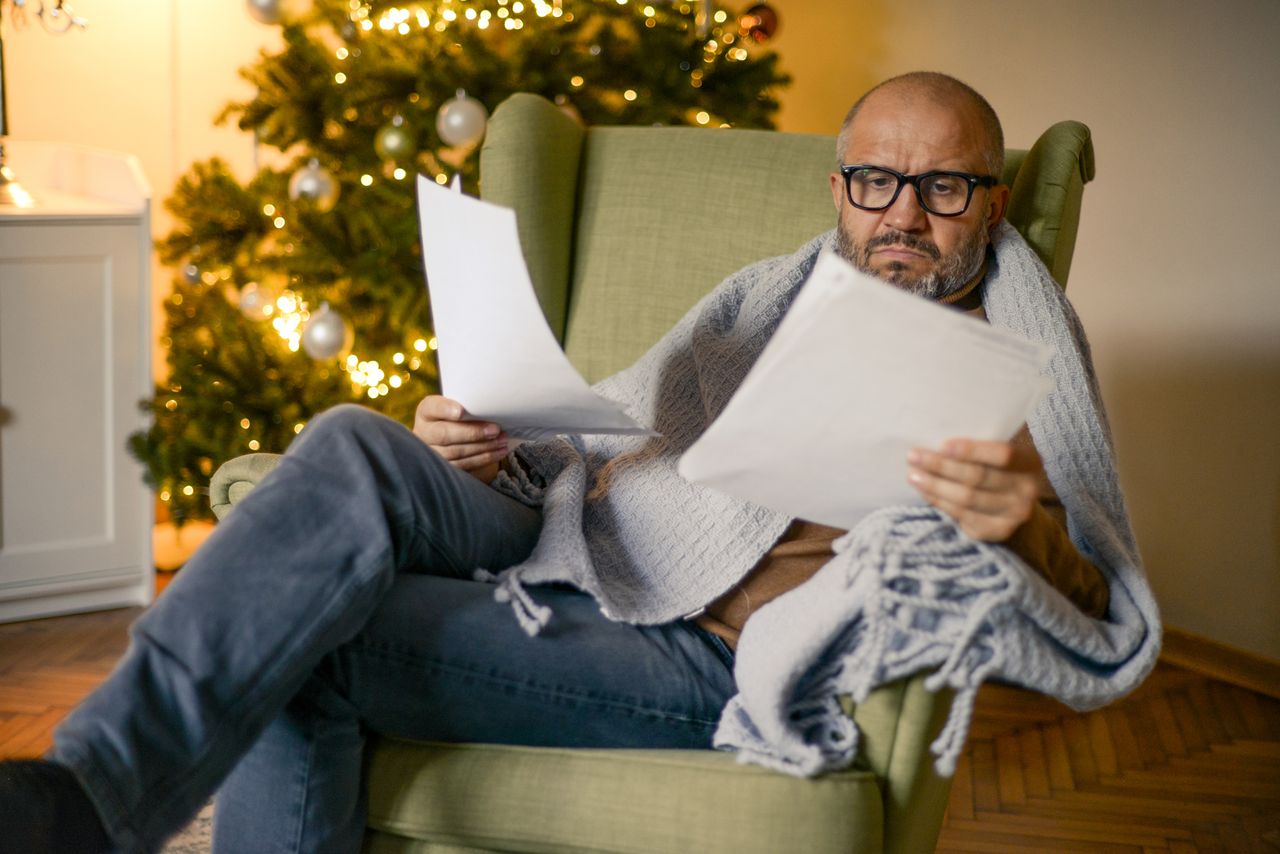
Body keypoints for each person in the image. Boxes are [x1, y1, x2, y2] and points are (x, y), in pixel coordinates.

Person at [0, 72, 1113, 853]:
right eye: (875, 179)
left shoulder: (1016, 366)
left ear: (992, 202)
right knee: (351, 437)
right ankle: (81, 798)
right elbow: (619, 423)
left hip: (693, 649)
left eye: (944, 186)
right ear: (837, 190)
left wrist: (1020, 527)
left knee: (310, 635)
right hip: (568, 524)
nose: (903, 213)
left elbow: (1089, 601)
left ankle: (95, 806)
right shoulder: (771, 295)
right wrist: (489, 451)